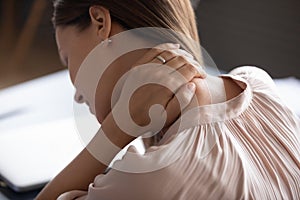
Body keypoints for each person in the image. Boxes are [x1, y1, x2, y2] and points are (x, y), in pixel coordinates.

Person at [37, 0, 300, 199]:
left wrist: (115, 132)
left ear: (100, 22)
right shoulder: (260, 85)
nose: (77, 94)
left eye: (67, 59)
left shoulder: (147, 178)